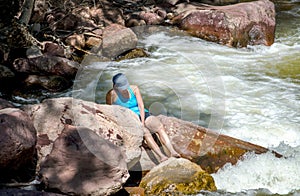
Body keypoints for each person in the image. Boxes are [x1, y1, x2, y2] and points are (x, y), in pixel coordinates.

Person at [106, 73, 180, 162]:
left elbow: (141, 106)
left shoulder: (134, 89)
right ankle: (161, 156)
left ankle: (172, 151)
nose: (125, 89)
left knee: (158, 126)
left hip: (142, 113)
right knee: (145, 132)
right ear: (115, 86)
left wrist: (142, 121)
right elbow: (110, 110)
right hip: (129, 117)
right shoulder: (111, 94)